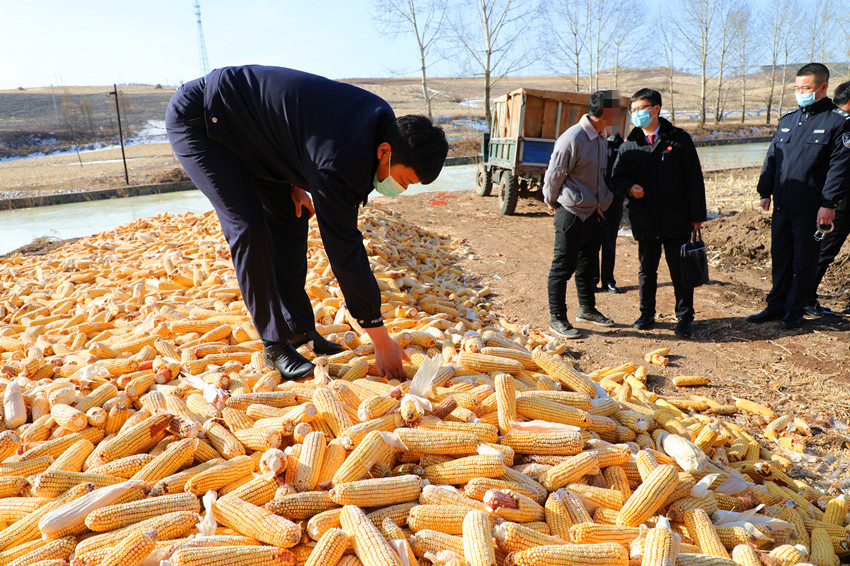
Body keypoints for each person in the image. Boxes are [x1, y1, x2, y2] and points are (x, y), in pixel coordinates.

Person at [165, 65, 448, 381]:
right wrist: (379, 337)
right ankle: (274, 345)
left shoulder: (381, 124)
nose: (401, 189)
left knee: (292, 212)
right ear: (385, 152)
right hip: (204, 121)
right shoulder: (342, 159)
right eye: (404, 180)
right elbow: (344, 248)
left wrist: (295, 181)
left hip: (254, 134)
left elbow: (301, 131)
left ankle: (299, 330)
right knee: (247, 225)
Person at [747, 63, 850, 329]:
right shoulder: (788, 121)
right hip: (782, 203)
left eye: (806, 88)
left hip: (811, 206)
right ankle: (776, 305)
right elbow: (772, 158)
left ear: (823, 88)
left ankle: (795, 311)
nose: (800, 92)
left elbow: (840, 167)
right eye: (797, 88)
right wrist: (764, 189)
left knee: (804, 261)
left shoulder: (838, 122)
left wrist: (829, 204)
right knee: (780, 258)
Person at [611, 88, 707, 338]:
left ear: (656, 109)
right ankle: (646, 314)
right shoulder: (630, 143)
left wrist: (697, 216)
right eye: (633, 110)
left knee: (679, 270)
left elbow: (694, 180)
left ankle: (685, 317)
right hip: (645, 217)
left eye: (640, 109)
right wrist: (630, 188)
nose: (636, 114)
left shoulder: (678, 140)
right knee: (647, 269)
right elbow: (616, 177)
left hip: (677, 217)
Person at [543, 90, 617, 339]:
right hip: (572, 212)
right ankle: (558, 319)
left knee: (587, 266)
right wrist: (552, 202)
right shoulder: (572, 138)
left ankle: (587, 309)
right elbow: (554, 175)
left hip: (595, 212)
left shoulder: (601, 135)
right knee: (563, 268)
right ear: (605, 112)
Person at [805, 80, 850, 317]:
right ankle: (805, 298)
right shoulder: (839, 124)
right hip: (838, 203)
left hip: (837, 200)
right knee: (823, 251)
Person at [599, 130, 626, 294]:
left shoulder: (623, 146)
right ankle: (593, 279)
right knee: (593, 241)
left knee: (609, 241)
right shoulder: (595, 143)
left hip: (615, 199)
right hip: (596, 199)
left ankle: (608, 280)